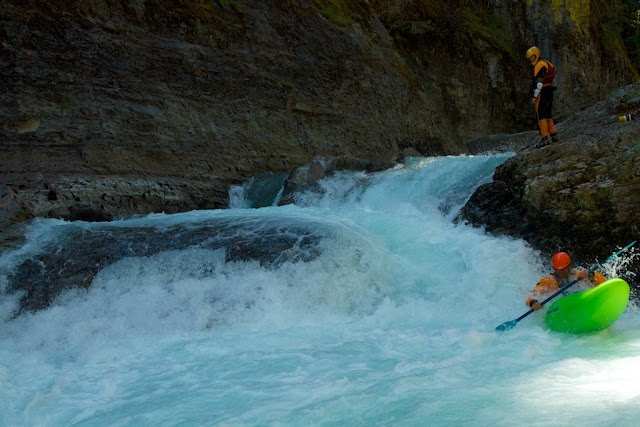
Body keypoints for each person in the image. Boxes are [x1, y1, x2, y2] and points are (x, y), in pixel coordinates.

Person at [526, 251, 606, 310]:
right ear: (555, 269)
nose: (563, 272)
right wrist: (533, 302)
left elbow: (602, 282)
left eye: (565, 268)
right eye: (559, 270)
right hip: (561, 308)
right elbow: (532, 294)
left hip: (578, 304)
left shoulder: (578, 274)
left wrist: (590, 276)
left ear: (570, 265)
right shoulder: (549, 281)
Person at [526, 46, 559, 148]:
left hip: (542, 92)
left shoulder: (539, 65)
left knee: (541, 114)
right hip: (549, 90)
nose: (530, 59)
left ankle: (544, 138)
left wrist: (535, 96)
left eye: (531, 57)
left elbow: (539, 83)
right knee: (548, 113)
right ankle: (553, 134)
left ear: (535, 55)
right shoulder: (546, 62)